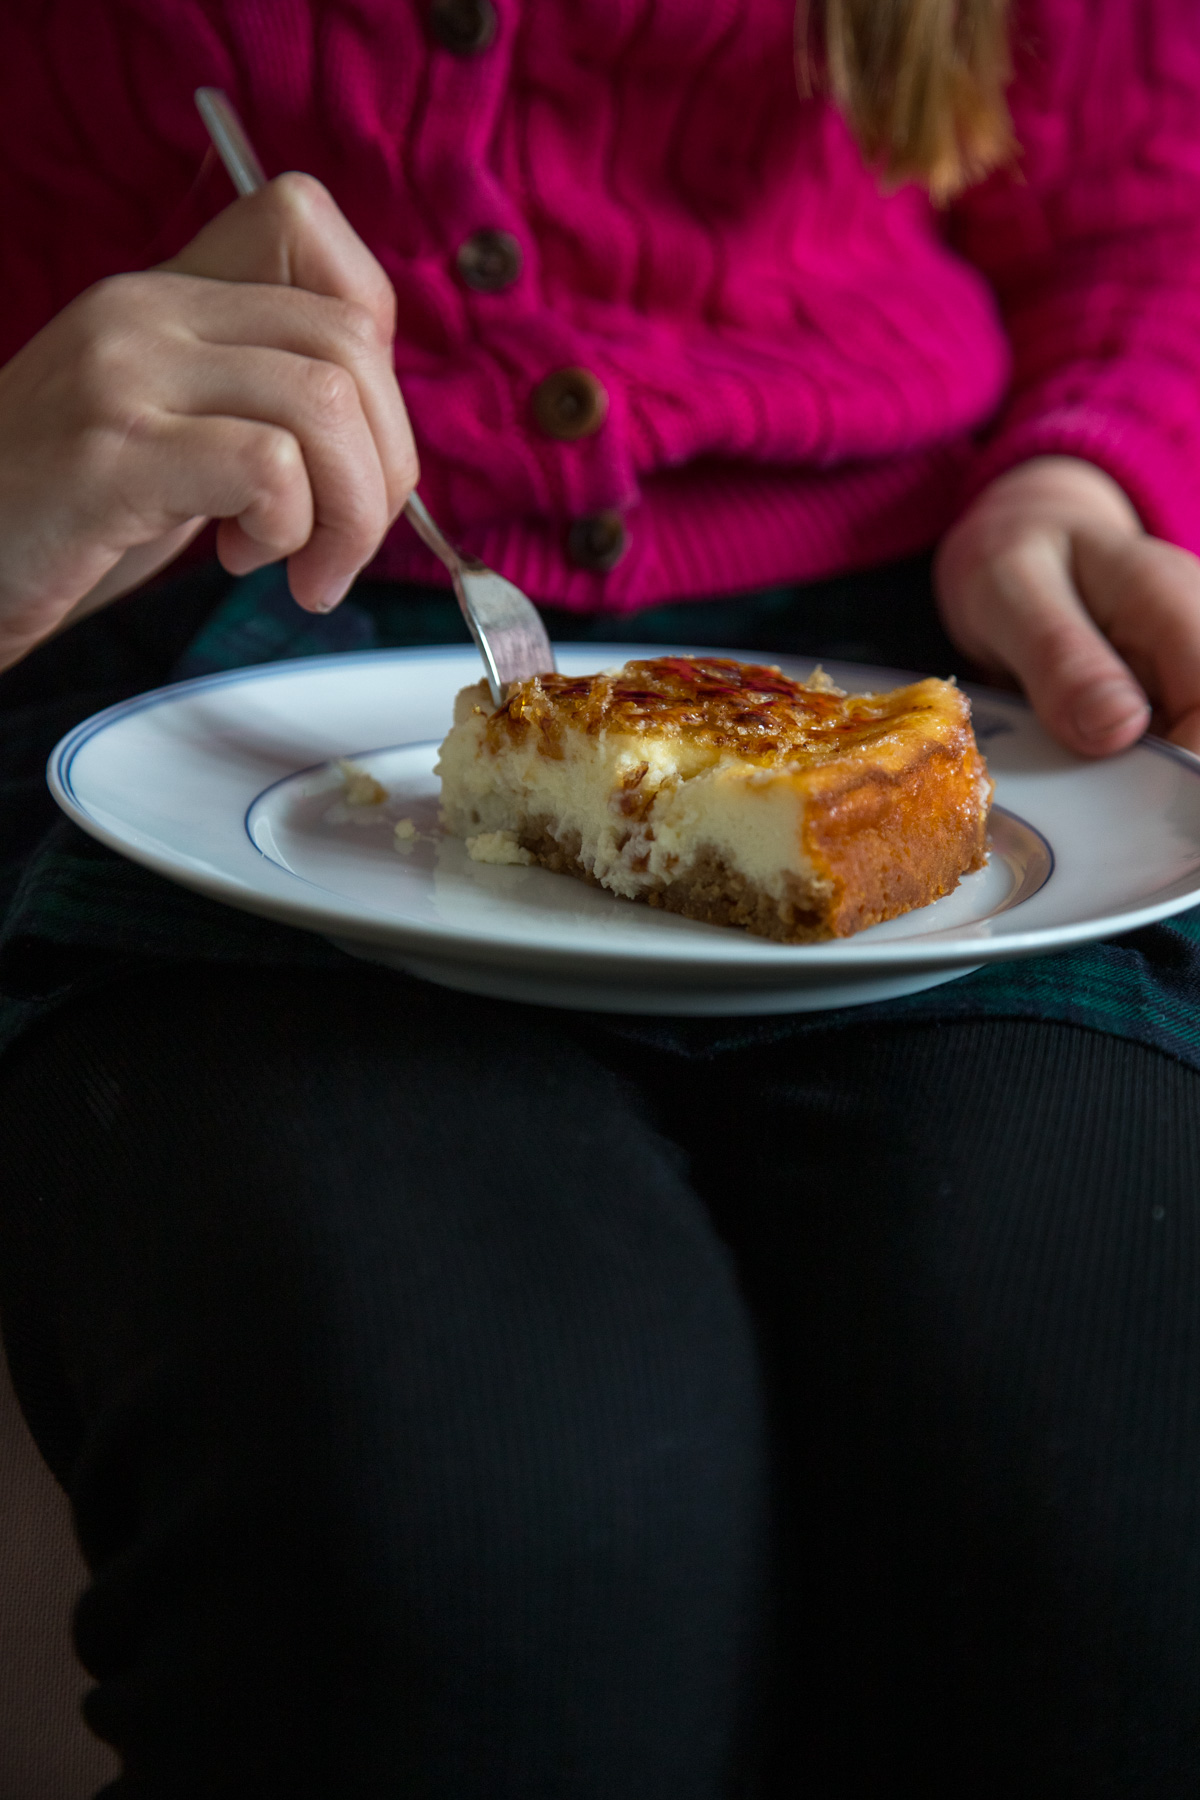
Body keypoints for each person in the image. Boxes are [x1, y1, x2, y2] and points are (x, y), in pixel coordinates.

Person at [2, 0, 1200, 1792]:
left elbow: (1142, 200)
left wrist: (1087, 465)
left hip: (925, 666)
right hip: (189, 653)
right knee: (487, 1535)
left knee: (1109, 1525)